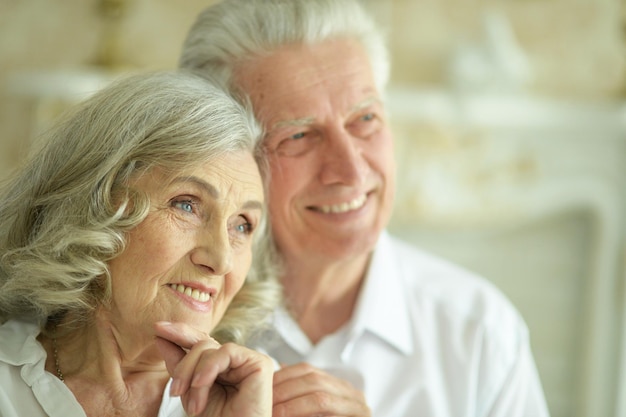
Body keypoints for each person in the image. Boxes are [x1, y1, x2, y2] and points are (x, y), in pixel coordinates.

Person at [179, 0, 551, 416]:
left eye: (365, 119)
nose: (352, 170)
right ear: (227, 153)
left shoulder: (480, 331)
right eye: (299, 136)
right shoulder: (177, 322)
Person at [0, 70, 282, 417]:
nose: (221, 259)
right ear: (94, 205)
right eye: (186, 205)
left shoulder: (266, 399)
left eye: (242, 225)